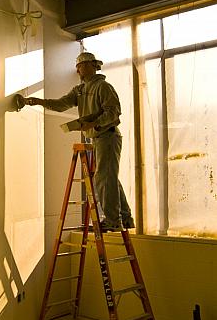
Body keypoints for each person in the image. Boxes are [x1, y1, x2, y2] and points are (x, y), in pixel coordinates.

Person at [15, 51, 135, 232]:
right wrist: (35, 101)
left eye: (80, 66)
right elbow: (61, 104)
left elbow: (113, 113)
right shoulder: (80, 90)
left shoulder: (103, 87)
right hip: (98, 138)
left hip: (108, 136)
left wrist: (93, 122)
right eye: (77, 67)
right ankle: (124, 218)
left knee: (104, 178)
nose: (77, 70)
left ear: (91, 66)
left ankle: (112, 221)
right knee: (108, 177)